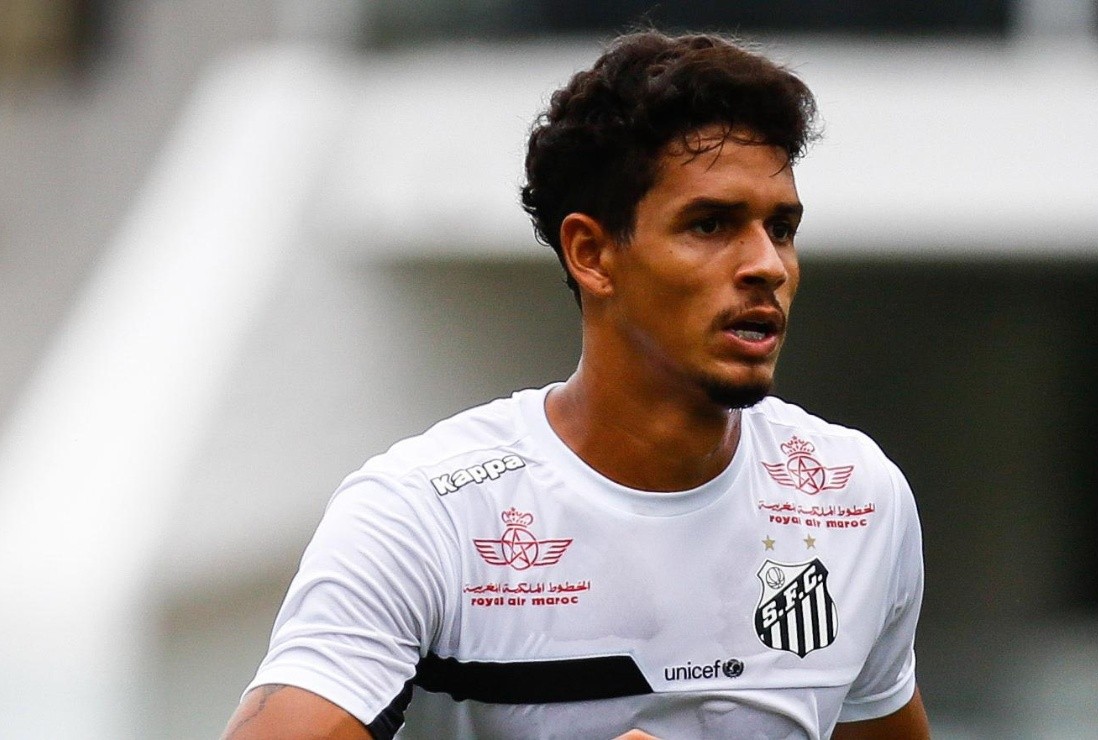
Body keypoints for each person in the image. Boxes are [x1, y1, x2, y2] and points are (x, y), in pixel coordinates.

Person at [222, 30, 929, 740]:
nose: (767, 265)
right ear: (591, 254)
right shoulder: (426, 512)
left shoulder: (856, 497)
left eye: (781, 227)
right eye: (711, 224)